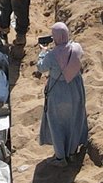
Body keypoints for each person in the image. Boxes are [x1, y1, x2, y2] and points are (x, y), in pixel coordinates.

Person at [36, 21, 88, 164]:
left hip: (58, 91)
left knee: (57, 123)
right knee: (74, 119)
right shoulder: (77, 48)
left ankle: (60, 157)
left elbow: (41, 68)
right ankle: (72, 151)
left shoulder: (52, 56)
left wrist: (43, 52)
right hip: (76, 89)